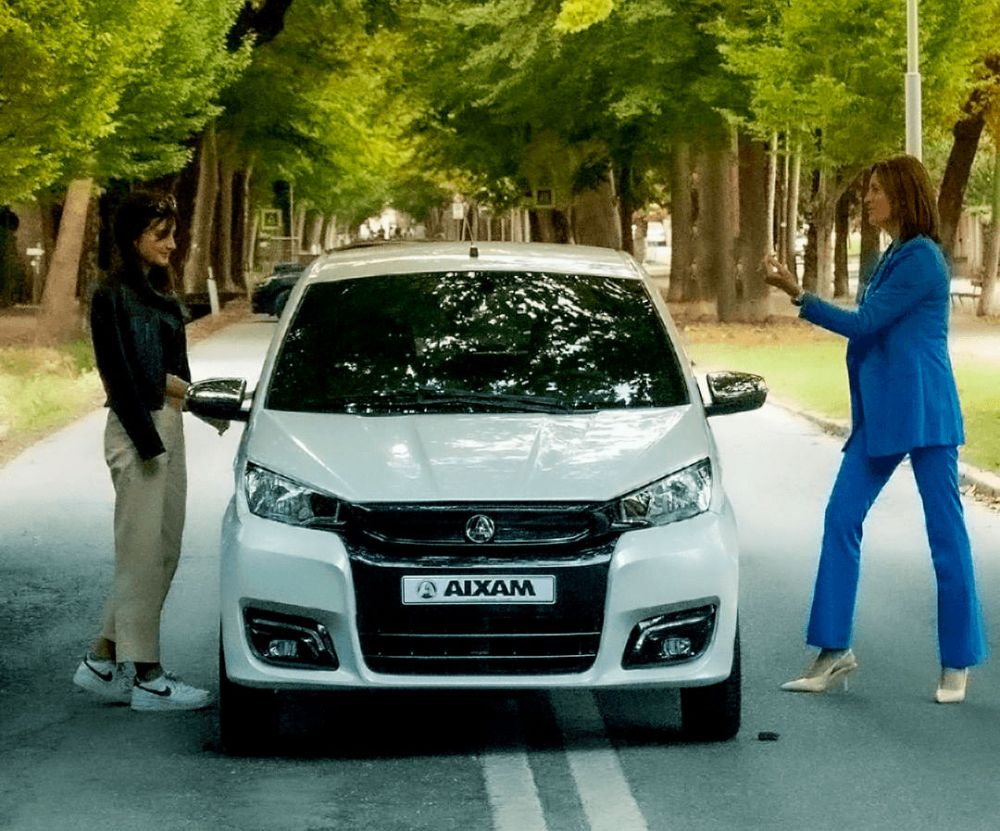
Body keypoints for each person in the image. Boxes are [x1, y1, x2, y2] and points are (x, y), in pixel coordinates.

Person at [762, 154, 987, 704]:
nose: (868, 200)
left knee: (946, 540)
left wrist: (798, 295)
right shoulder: (892, 257)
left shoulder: (922, 260)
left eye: (877, 191)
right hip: (880, 416)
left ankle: (957, 661)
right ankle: (833, 651)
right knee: (841, 518)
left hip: (925, 414)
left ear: (902, 197)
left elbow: (864, 323)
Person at [72, 191, 211, 712]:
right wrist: (150, 444)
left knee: (164, 551)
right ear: (133, 239)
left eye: (173, 234)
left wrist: (209, 405)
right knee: (140, 555)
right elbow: (120, 377)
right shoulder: (110, 295)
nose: (172, 245)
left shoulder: (160, 294)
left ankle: (101, 659)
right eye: (161, 235)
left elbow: (174, 374)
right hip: (137, 432)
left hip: (167, 425)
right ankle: (148, 677)